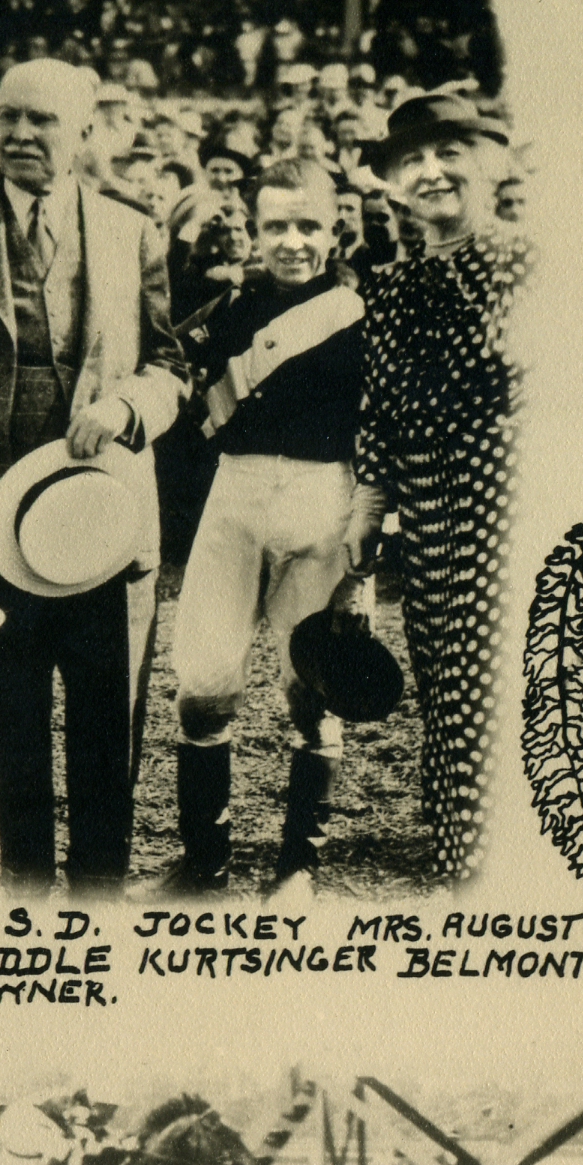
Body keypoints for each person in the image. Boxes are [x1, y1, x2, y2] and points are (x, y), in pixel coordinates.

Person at [0, 59, 188, 893]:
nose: (20, 134)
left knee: (105, 725)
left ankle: (98, 897)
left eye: (43, 121)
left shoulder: (134, 231)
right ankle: (22, 890)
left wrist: (127, 408)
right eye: (6, 117)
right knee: (12, 722)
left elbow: (171, 366)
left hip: (106, 521)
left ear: (87, 134)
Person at [152, 158, 368, 897]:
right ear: (255, 229)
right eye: (277, 225)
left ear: (335, 228)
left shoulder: (359, 314)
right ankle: (202, 865)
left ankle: (296, 871)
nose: (294, 241)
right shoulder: (231, 309)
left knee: (312, 687)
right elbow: (180, 386)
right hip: (237, 493)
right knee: (204, 684)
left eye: (309, 225)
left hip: (322, 497)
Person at [347, 85, 531, 882]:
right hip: (426, 509)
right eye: (411, 160)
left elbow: (511, 370)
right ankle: (461, 835)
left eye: (449, 153)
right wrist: (370, 501)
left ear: (490, 165)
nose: (430, 172)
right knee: (443, 672)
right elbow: (378, 408)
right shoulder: (391, 286)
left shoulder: (529, 259)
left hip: (506, 497)